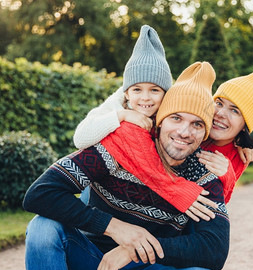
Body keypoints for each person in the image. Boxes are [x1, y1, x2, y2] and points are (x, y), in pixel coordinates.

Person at [23, 61, 229, 270]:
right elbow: (40, 193)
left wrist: (133, 250)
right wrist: (114, 227)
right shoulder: (117, 149)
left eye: (197, 124)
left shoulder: (204, 176)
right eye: (176, 118)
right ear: (160, 121)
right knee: (42, 228)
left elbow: (215, 249)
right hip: (93, 269)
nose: (184, 132)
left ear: (205, 134)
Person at [74, 24, 220, 221]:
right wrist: (121, 116)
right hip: (100, 185)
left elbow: (197, 129)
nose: (145, 98)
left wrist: (242, 144)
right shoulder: (117, 105)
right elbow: (80, 138)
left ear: (166, 93)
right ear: (126, 91)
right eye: (137, 90)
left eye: (154, 90)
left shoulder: (168, 112)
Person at [75, 68, 253, 203]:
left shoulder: (237, 156)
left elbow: (217, 206)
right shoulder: (173, 122)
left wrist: (227, 175)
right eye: (219, 102)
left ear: (245, 126)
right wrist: (125, 101)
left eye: (235, 111)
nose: (220, 113)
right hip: (113, 192)